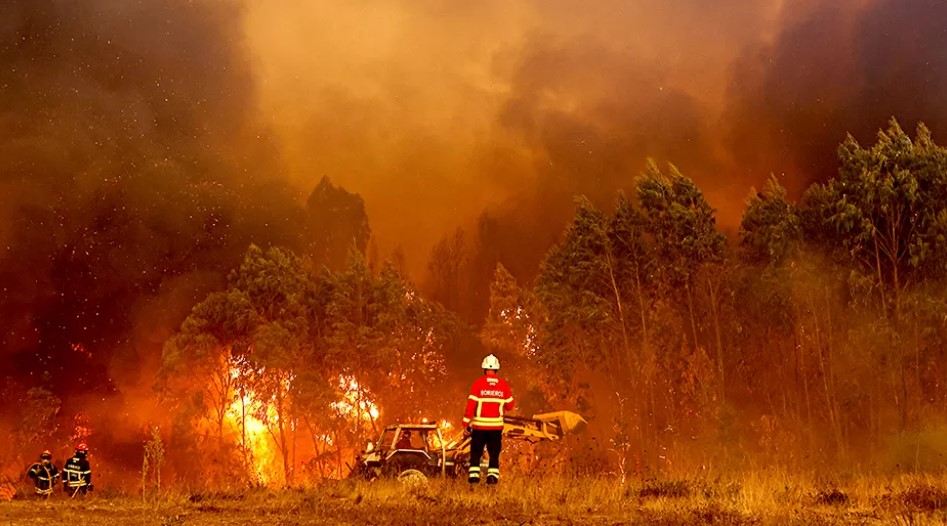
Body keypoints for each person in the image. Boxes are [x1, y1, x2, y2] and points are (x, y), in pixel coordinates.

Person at [462, 354, 514, 485]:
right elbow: (510, 405)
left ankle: (474, 478)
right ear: (497, 369)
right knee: (494, 454)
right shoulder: (504, 385)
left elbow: (470, 406)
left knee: (476, 453)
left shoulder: (478, 384)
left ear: (484, 368)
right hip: (496, 429)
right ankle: (492, 478)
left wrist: (466, 424)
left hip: (479, 428)